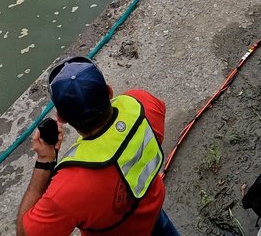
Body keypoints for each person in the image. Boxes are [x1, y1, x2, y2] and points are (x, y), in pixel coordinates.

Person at [16, 56, 179, 236]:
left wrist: (45, 162)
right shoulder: (144, 103)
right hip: (154, 213)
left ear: (61, 118)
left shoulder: (68, 189)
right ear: (109, 92)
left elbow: (25, 233)